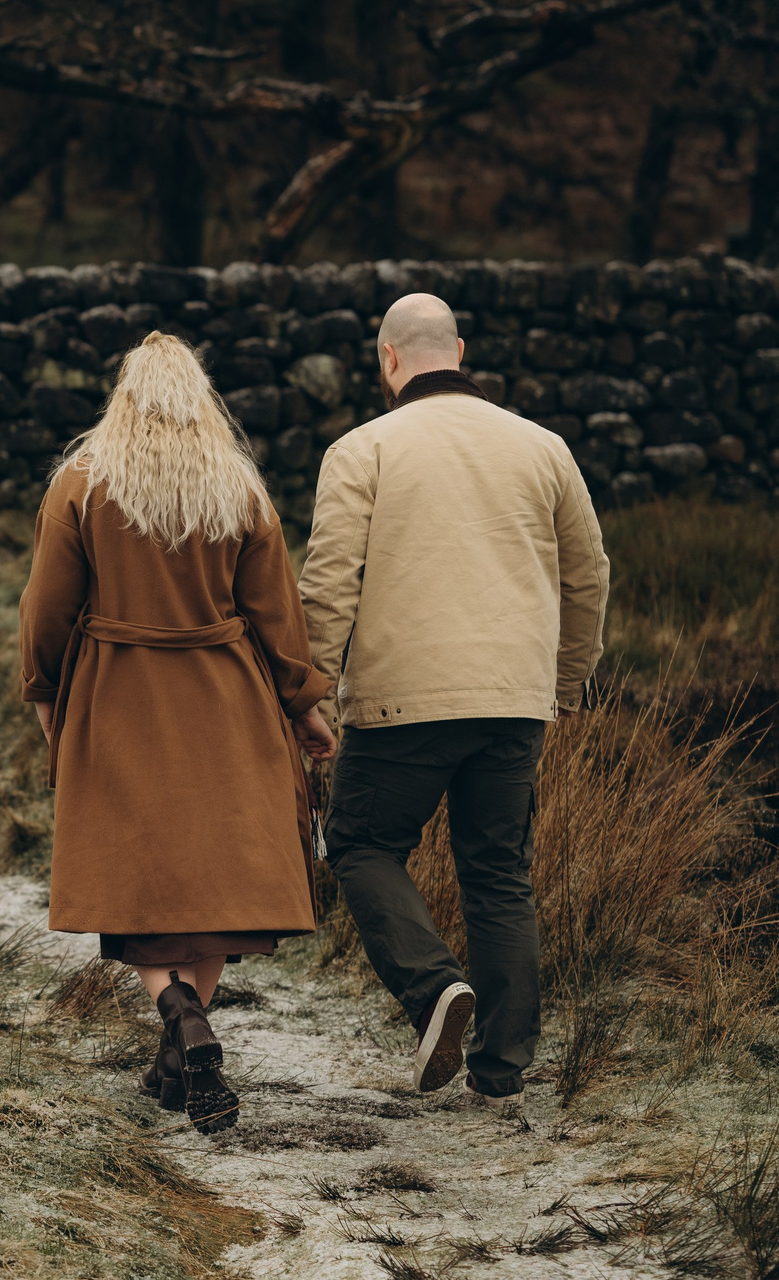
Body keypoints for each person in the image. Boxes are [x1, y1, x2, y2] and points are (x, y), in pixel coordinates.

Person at [18, 331, 338, 1135]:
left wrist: (46, 691)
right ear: (201, 399)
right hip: (223, 699)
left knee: (135, 883)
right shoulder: (237, 485)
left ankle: (176, 1015)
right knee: (211, 890)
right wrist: (304, 702)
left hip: (116, 694)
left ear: (124, 396)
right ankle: (182, 1034)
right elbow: (277, 611)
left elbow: (45, 608)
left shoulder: (82, 484)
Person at [298, 292, 609, 1112]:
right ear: (459, 350)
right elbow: (589, 575)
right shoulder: (543, 447)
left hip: (403, 701)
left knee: (361, 843)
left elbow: (327, 583)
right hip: (515, 700)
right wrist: (565, 683)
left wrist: (308, 693)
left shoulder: (360, 449)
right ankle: (502, 1070)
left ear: (388, 360)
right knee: (499, 873)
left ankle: (435, 988)